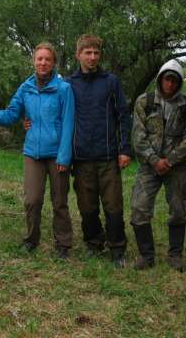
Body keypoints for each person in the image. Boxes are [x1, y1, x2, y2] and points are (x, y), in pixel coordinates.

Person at [0, 42, 75, 259]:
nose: (43, 62)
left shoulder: (64, 89)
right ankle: (31, 240)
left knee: (60, 202)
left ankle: (63, 244)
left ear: (53, 63)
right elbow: (10, 115)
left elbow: (69, 123)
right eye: (39, 59)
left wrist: (64, 156)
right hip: (32, 153)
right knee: (32, 200)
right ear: (33, 61)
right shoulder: (25, 89)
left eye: (47, 59)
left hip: (57, 156)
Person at [65, 34, 132, 268]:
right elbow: (56, 113)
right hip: (81, 158)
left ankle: (117, 249)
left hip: (108, 157)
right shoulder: (68, 84)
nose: (92, 57)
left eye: (96, 53)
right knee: (87, 207)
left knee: (114, 205)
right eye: (88, 53)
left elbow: (123, 115)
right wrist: (29, 120)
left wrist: (125, 149)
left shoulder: (111, 81)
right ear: (78, 55)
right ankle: (94, 244)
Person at [130, 59, 186, 271]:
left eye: (174, 80)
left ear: (179, 82)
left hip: (175, 167)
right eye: (166, 79)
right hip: (148, 166)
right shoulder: (144, 101)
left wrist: (170, 161)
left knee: (179, 209)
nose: (169, 84)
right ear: (160, 79)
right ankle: (146, 255)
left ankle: (175, 255)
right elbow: (138, 136)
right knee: (138, 207)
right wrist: (154, 160)